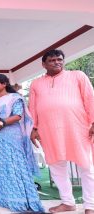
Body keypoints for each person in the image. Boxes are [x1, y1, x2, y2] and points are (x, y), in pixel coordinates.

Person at [29, 49, 94, 214]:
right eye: (52, 60)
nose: (57, 62)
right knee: (56, 166)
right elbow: (33, 106)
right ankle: (67, 202)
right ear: (43, 64)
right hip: (48, 129)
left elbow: (90, 98)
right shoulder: (36, 83)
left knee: (85, 166)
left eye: (59, 59)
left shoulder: (77, 76)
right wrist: (34, 128)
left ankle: (90, 205)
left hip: (77, 127)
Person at [0, 74, 44, 212]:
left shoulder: (15, 98)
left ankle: (19, 199)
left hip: (12, 138)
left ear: (4, 84)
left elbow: (18, 116)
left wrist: (0, 123)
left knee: (15, 167)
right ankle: (0, 198)